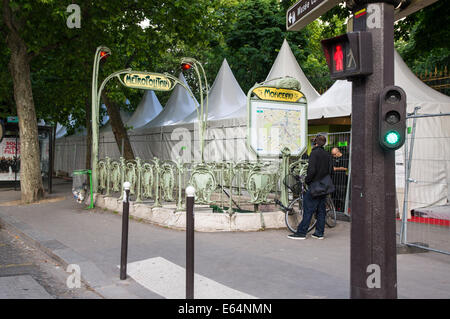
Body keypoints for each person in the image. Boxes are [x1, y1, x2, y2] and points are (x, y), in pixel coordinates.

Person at [288, 134, 333, 240]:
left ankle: (301, 233)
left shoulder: (314, 153)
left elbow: (312, 170)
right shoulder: (327, 154)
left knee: (308, 209)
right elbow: (331, 171)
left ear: (315, 143)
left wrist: (307, 181)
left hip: (315, 185)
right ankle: (319, 233)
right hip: (325, 185)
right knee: (321, 210)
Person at [331, 147, 349, 212]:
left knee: (341, 196)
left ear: (338, 152)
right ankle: (336, 208)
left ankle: (342, 210)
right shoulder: (333, 158)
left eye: (335, 154)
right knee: (334, 196)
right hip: (333, 180)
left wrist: (336, 169)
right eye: (333, 154)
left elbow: (346, 168)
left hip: (341, 180)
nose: (334, 156)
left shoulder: (344, 158)